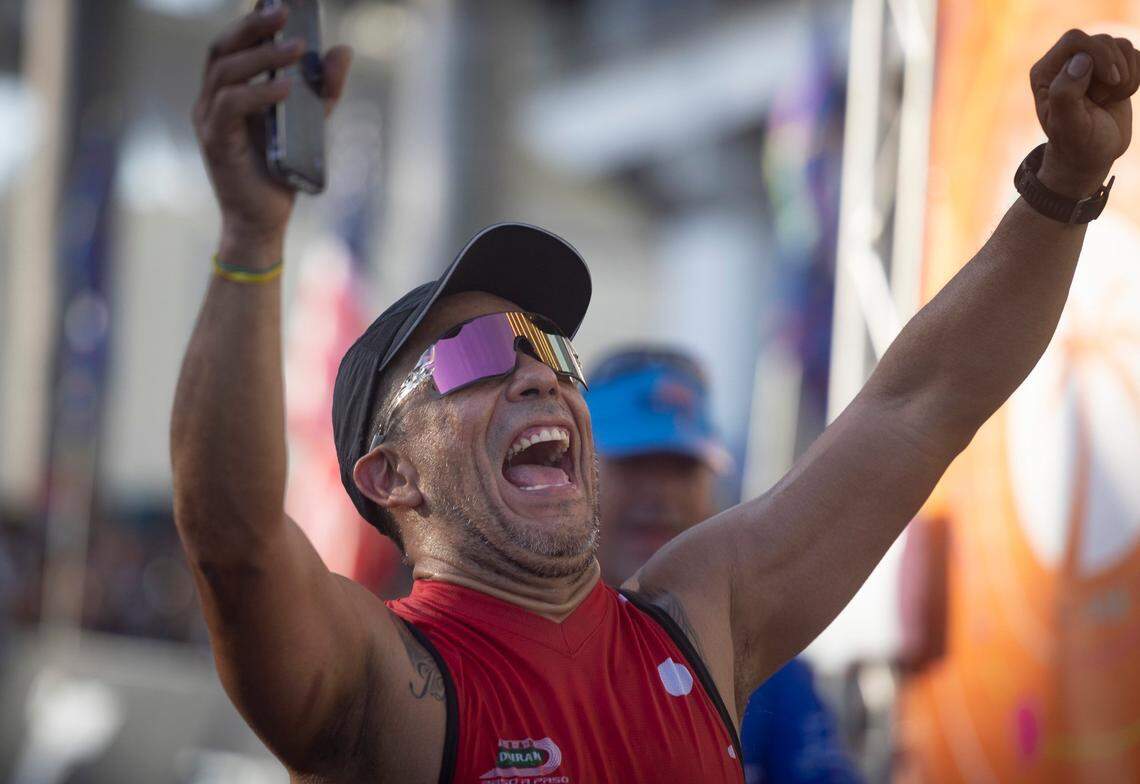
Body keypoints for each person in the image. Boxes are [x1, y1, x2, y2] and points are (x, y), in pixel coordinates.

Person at [171, 6, 1138, 781]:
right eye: (471, 356)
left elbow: (917, 404)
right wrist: (253, 244)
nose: (534, 370)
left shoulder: (704, 613)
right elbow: (236, 541)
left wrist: (1066, 185)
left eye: (547, 345)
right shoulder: (381, 680)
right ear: (390, 477)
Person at [587, 347, 862, 784]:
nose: (660, 497)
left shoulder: (765, 662)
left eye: (682, 469)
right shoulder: (517, 647)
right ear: (574, 475)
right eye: (635, 464)